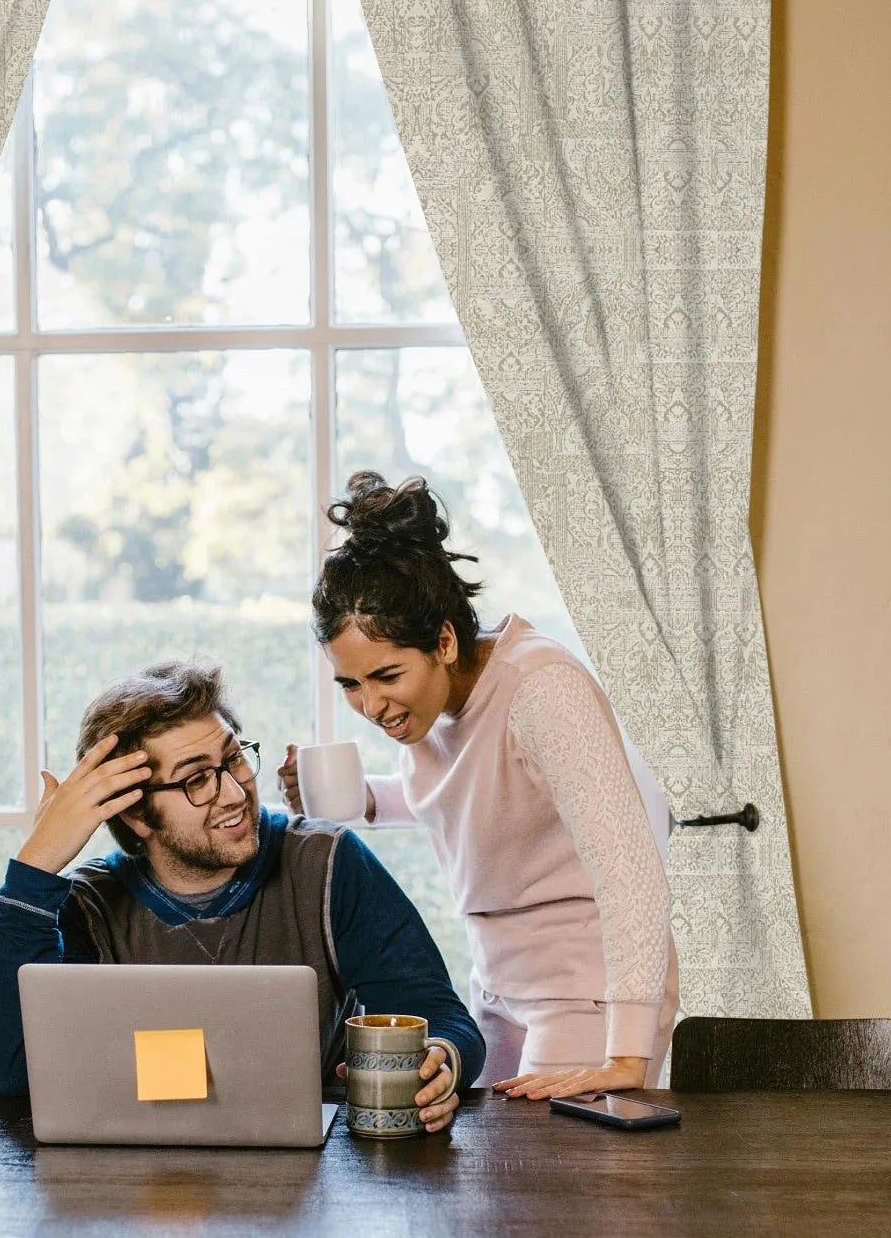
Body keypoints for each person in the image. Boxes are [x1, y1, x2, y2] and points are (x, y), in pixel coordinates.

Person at [280, 472, 678, 1104]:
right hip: (495, 983)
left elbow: (630, 872)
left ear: (443, 640)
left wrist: (627, 1053)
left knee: (565, 1190)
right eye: (350, 685)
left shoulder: (542, 690)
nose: (371, 705)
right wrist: (358, 801)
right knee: (496, 1190)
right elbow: (481, 797)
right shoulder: (437, 709)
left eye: (386, 675)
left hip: (585, 991)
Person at [0, 658, 484, 1133]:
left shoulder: (329, 863)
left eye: (235, 760)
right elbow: (7, 1073)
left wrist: (440, 1060)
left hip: (311, 1182)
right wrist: (34, 869)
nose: (236, 794)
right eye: (197, 781)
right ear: (136, 813)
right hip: (137, 1187)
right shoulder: (86, 906)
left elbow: (443, 1016)